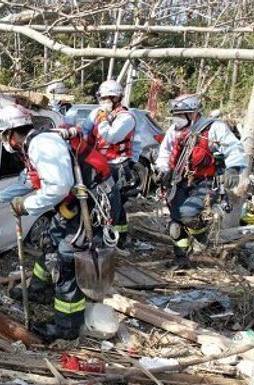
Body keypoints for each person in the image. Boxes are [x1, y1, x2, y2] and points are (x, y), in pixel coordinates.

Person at [0, 104, 118, 342]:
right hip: (74, 203)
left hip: (90, 206)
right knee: (51, 241)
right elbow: (29, 181)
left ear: (11, 134)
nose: (5, 141)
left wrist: (26, 205)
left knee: (68, 261)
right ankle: (39, 290)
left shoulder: (43, 145)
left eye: (4, 135)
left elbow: (58, 187)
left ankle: (66, 327)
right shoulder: (33, 146)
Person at [155, 94, 246, 267]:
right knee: (176, 221)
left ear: (193, 114)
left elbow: (234, 148)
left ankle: (201, 236)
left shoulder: (214, 128)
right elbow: (164, 153)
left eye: (181, 115)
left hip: (206, 181)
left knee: (188, 215)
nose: (177, 119)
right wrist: (163, 170)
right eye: (176, 115)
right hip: (180, 180)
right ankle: (181, 257)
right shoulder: (174, 131)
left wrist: (233, 168)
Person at [81, 80, 136, 247]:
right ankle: (113, 236)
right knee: (101, 202)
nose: (103, 102)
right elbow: (85, 130)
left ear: (116, 98)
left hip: (116, 167)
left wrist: (103, 118)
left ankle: (113, 240)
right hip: (98, 165)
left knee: (113, 204)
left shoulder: (126, 118)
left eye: (107, 98)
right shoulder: (97, 113)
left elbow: (110, 137)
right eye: (102, 98)